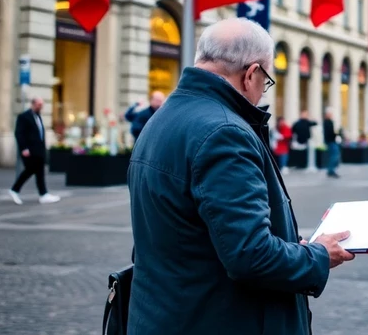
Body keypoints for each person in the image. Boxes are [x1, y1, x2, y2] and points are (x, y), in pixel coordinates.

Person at [127, 18, 354, 334]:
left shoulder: (161, 119)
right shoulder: (225, 132)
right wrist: (317, 255)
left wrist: (290, 246)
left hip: (165, 313)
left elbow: (191, 232)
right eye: (267, 81)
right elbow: (251, 255)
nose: (263, 92)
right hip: (215, 318)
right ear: (251, 74)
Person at [8, 97, 60, 205]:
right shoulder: (24, 117)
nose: (41, 107)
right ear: (33, 104)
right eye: (39, 105)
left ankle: (43, 194)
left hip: (39, 150)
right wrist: (24, 148)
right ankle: (15, 189)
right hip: (30, 150)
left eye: (42, 105)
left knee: (39, 172)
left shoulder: (38, 116)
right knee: (30, 169)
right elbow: (19, 133)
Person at [323, 108, 340, 179]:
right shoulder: (327, 122)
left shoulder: (329, 122)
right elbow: (330, 132)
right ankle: (331, 170)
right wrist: (336, 135)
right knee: (334, 156)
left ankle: (331, 170)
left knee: (333, 156)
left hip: (331, 141)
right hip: (331, 141)